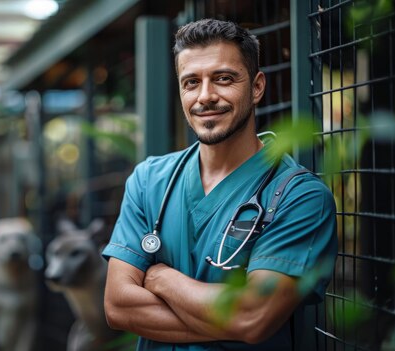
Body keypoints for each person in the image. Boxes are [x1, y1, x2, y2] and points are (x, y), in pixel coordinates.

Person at [101, 18, 338, 350]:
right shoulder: (149, 180)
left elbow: (252, 318)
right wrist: (228, 322)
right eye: (191, 82)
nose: (205, 96)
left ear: (256, 87)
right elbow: (118, 306)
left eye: (223, 79)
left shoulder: (298, 197)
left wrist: (162, 279)